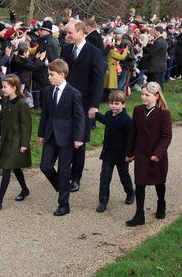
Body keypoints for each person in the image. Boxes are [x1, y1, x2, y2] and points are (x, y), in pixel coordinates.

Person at [37, 59, 86, 216]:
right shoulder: (47, 92)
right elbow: (45, 114)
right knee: (45, 166)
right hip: (51, 134)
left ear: (62, 74)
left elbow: (80, 117)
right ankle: (62, 186)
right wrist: (41, 133)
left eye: (51, 75)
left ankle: (63, 204)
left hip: (67, 137)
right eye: (48, 74)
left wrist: (79, 137)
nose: (49, 77)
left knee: (64, 170)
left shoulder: (74, 93)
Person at [60, 20, 104, 193]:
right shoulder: (65, 50)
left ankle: (75, 177)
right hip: (65, 102)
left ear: (81, 32)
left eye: (70, 32)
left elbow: (98, 80)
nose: (67, 36)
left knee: (79, 141)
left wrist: (94, 105)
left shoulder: (94, 52)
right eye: (66, 33)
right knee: (64, 136)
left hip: (84, 104)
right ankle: (64, 170)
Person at [125, 82, 172, 226]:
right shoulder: (138, 110)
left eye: (147, 95)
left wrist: (158, 153)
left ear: (156, 96)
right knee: (139, 184)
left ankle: (161, 204)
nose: (143, 97)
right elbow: (133, 133)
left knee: (159, 182)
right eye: (142, 94)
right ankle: (140, 214)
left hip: (158, 156)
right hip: (141, 154)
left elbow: (166, 136)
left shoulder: (164, 113)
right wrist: (129, 152)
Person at [0, 75, 31, 211]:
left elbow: (26, 125)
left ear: (14, 87)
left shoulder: (22, 104)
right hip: (7, 140)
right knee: (15, 167)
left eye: (5, 87)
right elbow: (2, 115)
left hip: (17, 141)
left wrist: (24, 143)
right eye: (2, 86)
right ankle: (25, 189)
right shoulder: (6, 100)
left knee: (6, 168)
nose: (2, 89)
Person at [94, 90, 134, 213]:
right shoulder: (109, 114)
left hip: (122, 155)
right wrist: (96, 114)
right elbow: (106, 120)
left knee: (124, 176)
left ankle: (130, 193)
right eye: (111, 103)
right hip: (108, 153)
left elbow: (131, 140)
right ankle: (103, 201)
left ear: (123, 104)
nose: (113, 106)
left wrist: (130, 154)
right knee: (105, 177)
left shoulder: (127, 121)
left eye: (117, 103)